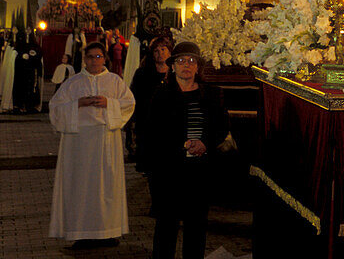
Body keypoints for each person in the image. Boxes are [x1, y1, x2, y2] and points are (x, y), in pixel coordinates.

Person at [48, 41, 135, 247]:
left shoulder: (115, 81)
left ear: (105, 58)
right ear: (84, 59)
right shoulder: (73, 83)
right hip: (78, 143)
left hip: (106, 140)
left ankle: (107, 231)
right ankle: (81, 231)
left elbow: (129, 104)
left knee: (107, 186)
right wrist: (78, 103)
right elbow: (55, 108)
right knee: (80, 186)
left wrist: (109, 103)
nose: (94, 61)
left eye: (98, 56)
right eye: (90, 57)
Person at [148, 41, 230, 259]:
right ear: (172, 66)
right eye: (181, 60)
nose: (187, 65)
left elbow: (222, 126)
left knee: (196, 229)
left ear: (198, 67)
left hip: (199, 172)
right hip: (169, 171)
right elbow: (153, 132)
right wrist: (182, 145)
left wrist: (205, 143)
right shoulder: (161, 95)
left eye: (192, 61)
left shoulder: (211, 94)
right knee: (166, 228)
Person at [130, 35, 174, 176]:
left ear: (170, 51)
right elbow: (135, 96)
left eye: (163, 49)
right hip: (147, 120)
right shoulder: (142, 73)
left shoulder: (175, 73)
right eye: (156, 50)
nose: (160, 53)